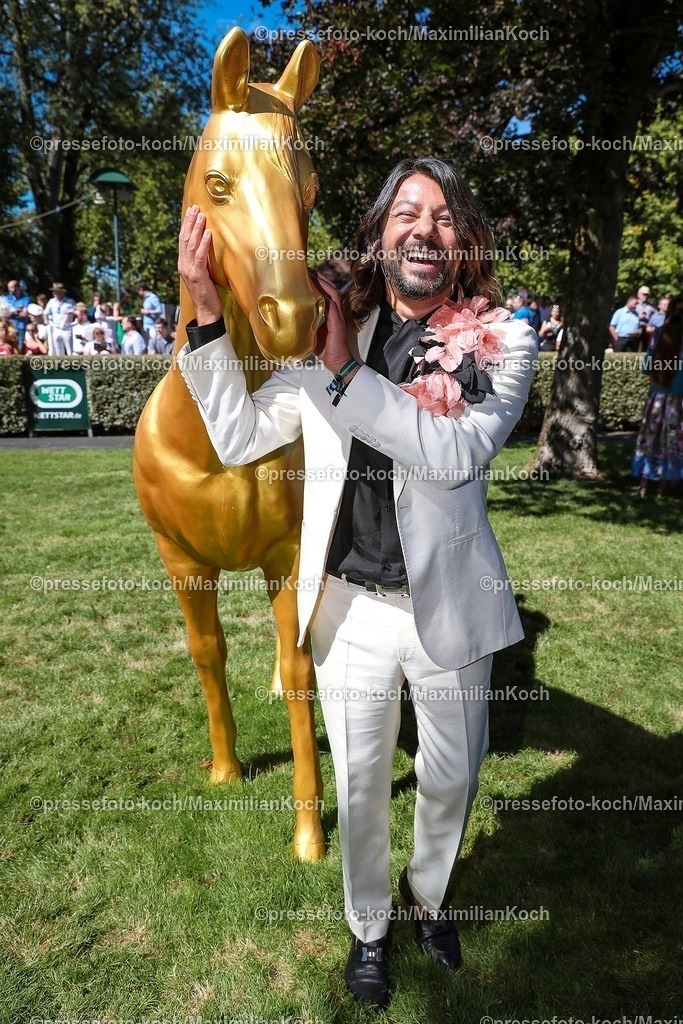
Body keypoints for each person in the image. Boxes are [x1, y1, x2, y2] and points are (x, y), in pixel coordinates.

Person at [175, 157, 537, 1011]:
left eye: (444, 216)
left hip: (452, 609)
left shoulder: (506, 338)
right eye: (406, 211)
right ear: (378, 234)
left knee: (452, 778)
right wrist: (204, 317)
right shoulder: (329, 331)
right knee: (362, 784)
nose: (424, 227)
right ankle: (369, 928)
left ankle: (430, 897)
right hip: (348, 607)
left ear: (465, 241)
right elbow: (238, 436)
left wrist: (345, 377)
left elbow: (453, 454)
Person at [632, 295, 683, 498]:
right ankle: (664, 487)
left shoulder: (659, 335)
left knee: (651, 440)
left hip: (657, 398)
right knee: (670, 441)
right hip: (677, 400)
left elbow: (646, 368)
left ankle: (645, 487)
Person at [44, 282, 76, 355]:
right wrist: (48, 323)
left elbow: (76, 314)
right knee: (58, 350)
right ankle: (60, 365)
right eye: (54, 291)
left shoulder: (70, 302)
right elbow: (45, 313)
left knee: (69, 350)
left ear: (61, 292)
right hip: (56, 328)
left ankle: (72, 364)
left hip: (67, 328)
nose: (55, 293)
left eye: (57, 291)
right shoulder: (51, 301)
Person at [5, 279, 31, 347]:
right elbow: (5, 314)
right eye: (8, 287)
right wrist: (17, 311)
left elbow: (25, 314)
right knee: (10, 347)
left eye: (11, 287)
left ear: (17, 287)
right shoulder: (8, 298)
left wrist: (11, 314)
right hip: (9, 327)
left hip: (21, 326)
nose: (9, 289)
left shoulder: (25, 299)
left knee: (20, 346)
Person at [635, 285, 656, 351]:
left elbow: (656, 316)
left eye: (647, 295)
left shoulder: (650, 308)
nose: (645, 296)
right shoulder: (634, 305)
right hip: (635, 329)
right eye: (644, 294)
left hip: (646, 330)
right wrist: (638, 317)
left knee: (645, 349)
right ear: (639, 294)